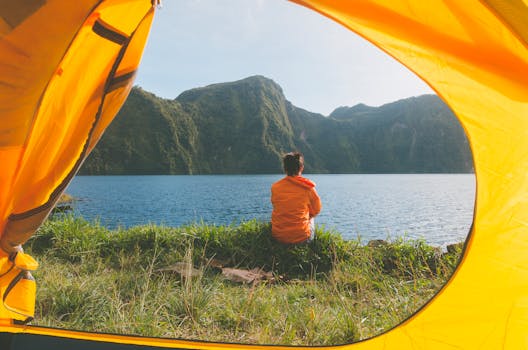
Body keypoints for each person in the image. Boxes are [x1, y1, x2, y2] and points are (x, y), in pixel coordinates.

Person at [271, 152, 322, 244]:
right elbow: (317, 209)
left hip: (278, 236)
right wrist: (308, 215)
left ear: (285, 169)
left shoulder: (275, 187)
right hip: (302, 239)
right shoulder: (308, 188)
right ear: (301, 168)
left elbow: (275, 205)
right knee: (311, 219)